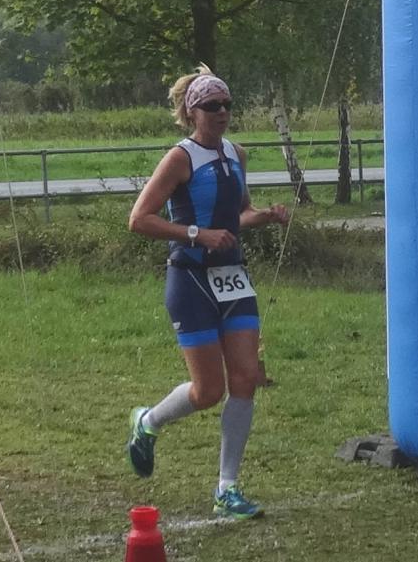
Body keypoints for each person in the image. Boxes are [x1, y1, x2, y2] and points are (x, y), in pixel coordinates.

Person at [126, 64, 288, 519]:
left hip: (232, 278)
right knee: (209, 390)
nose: (222, 112)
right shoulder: (180, 158)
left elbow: (237, 215)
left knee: (246, 378)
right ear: (192, 112)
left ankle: (227, 489)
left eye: (227, 105)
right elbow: (139, 219)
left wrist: (265, 216)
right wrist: (197, 234)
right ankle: (148, 422)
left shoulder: (237, 153)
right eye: (212, 106)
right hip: (191, 280)